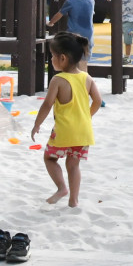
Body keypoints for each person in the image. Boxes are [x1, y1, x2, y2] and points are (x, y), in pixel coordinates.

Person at [31, 33, 101, 207]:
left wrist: (37, 124)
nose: (51, 60)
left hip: (63, 131)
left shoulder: (58, 80)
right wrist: (87, 116)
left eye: (52, 56)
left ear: (62, 58)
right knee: (73, 165)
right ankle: (73, 200)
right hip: (83, 131)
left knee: (50, 158)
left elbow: (47, 105)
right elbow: (98, 101)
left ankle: (62, 188)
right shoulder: (87, 78)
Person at [47, 0, 95, 69]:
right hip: (88, 37)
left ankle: (71, 81)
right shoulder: (91, 1)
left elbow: (59, 15)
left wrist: (50, 22)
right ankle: (84, 82)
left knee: (71, 62)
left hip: (74, 37)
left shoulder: (70, 2)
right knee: (83, 63)